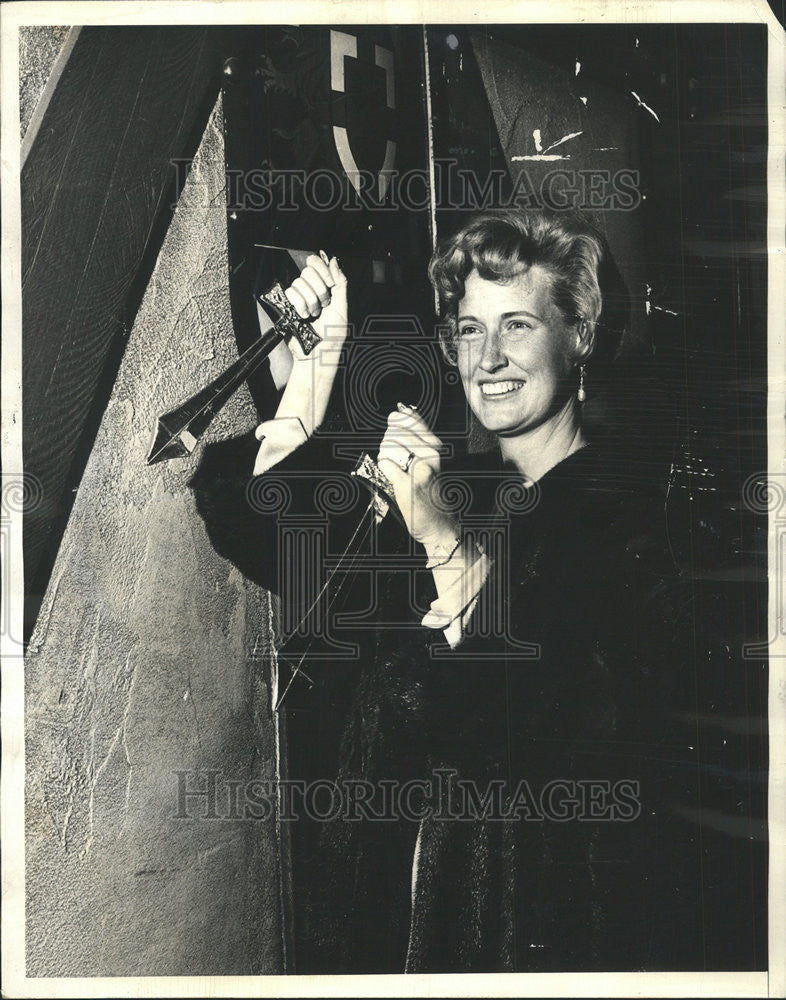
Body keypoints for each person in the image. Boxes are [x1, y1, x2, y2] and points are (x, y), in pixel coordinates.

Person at [193, 211, 717, 972]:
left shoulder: (632, 531)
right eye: (469, 330)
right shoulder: (461, 490)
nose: (490, 357)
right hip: (385, 944)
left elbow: (520, 739)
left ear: (580, 336)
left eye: (518, 324)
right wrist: (318, 365)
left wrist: (444, 543)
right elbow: (256, 525)